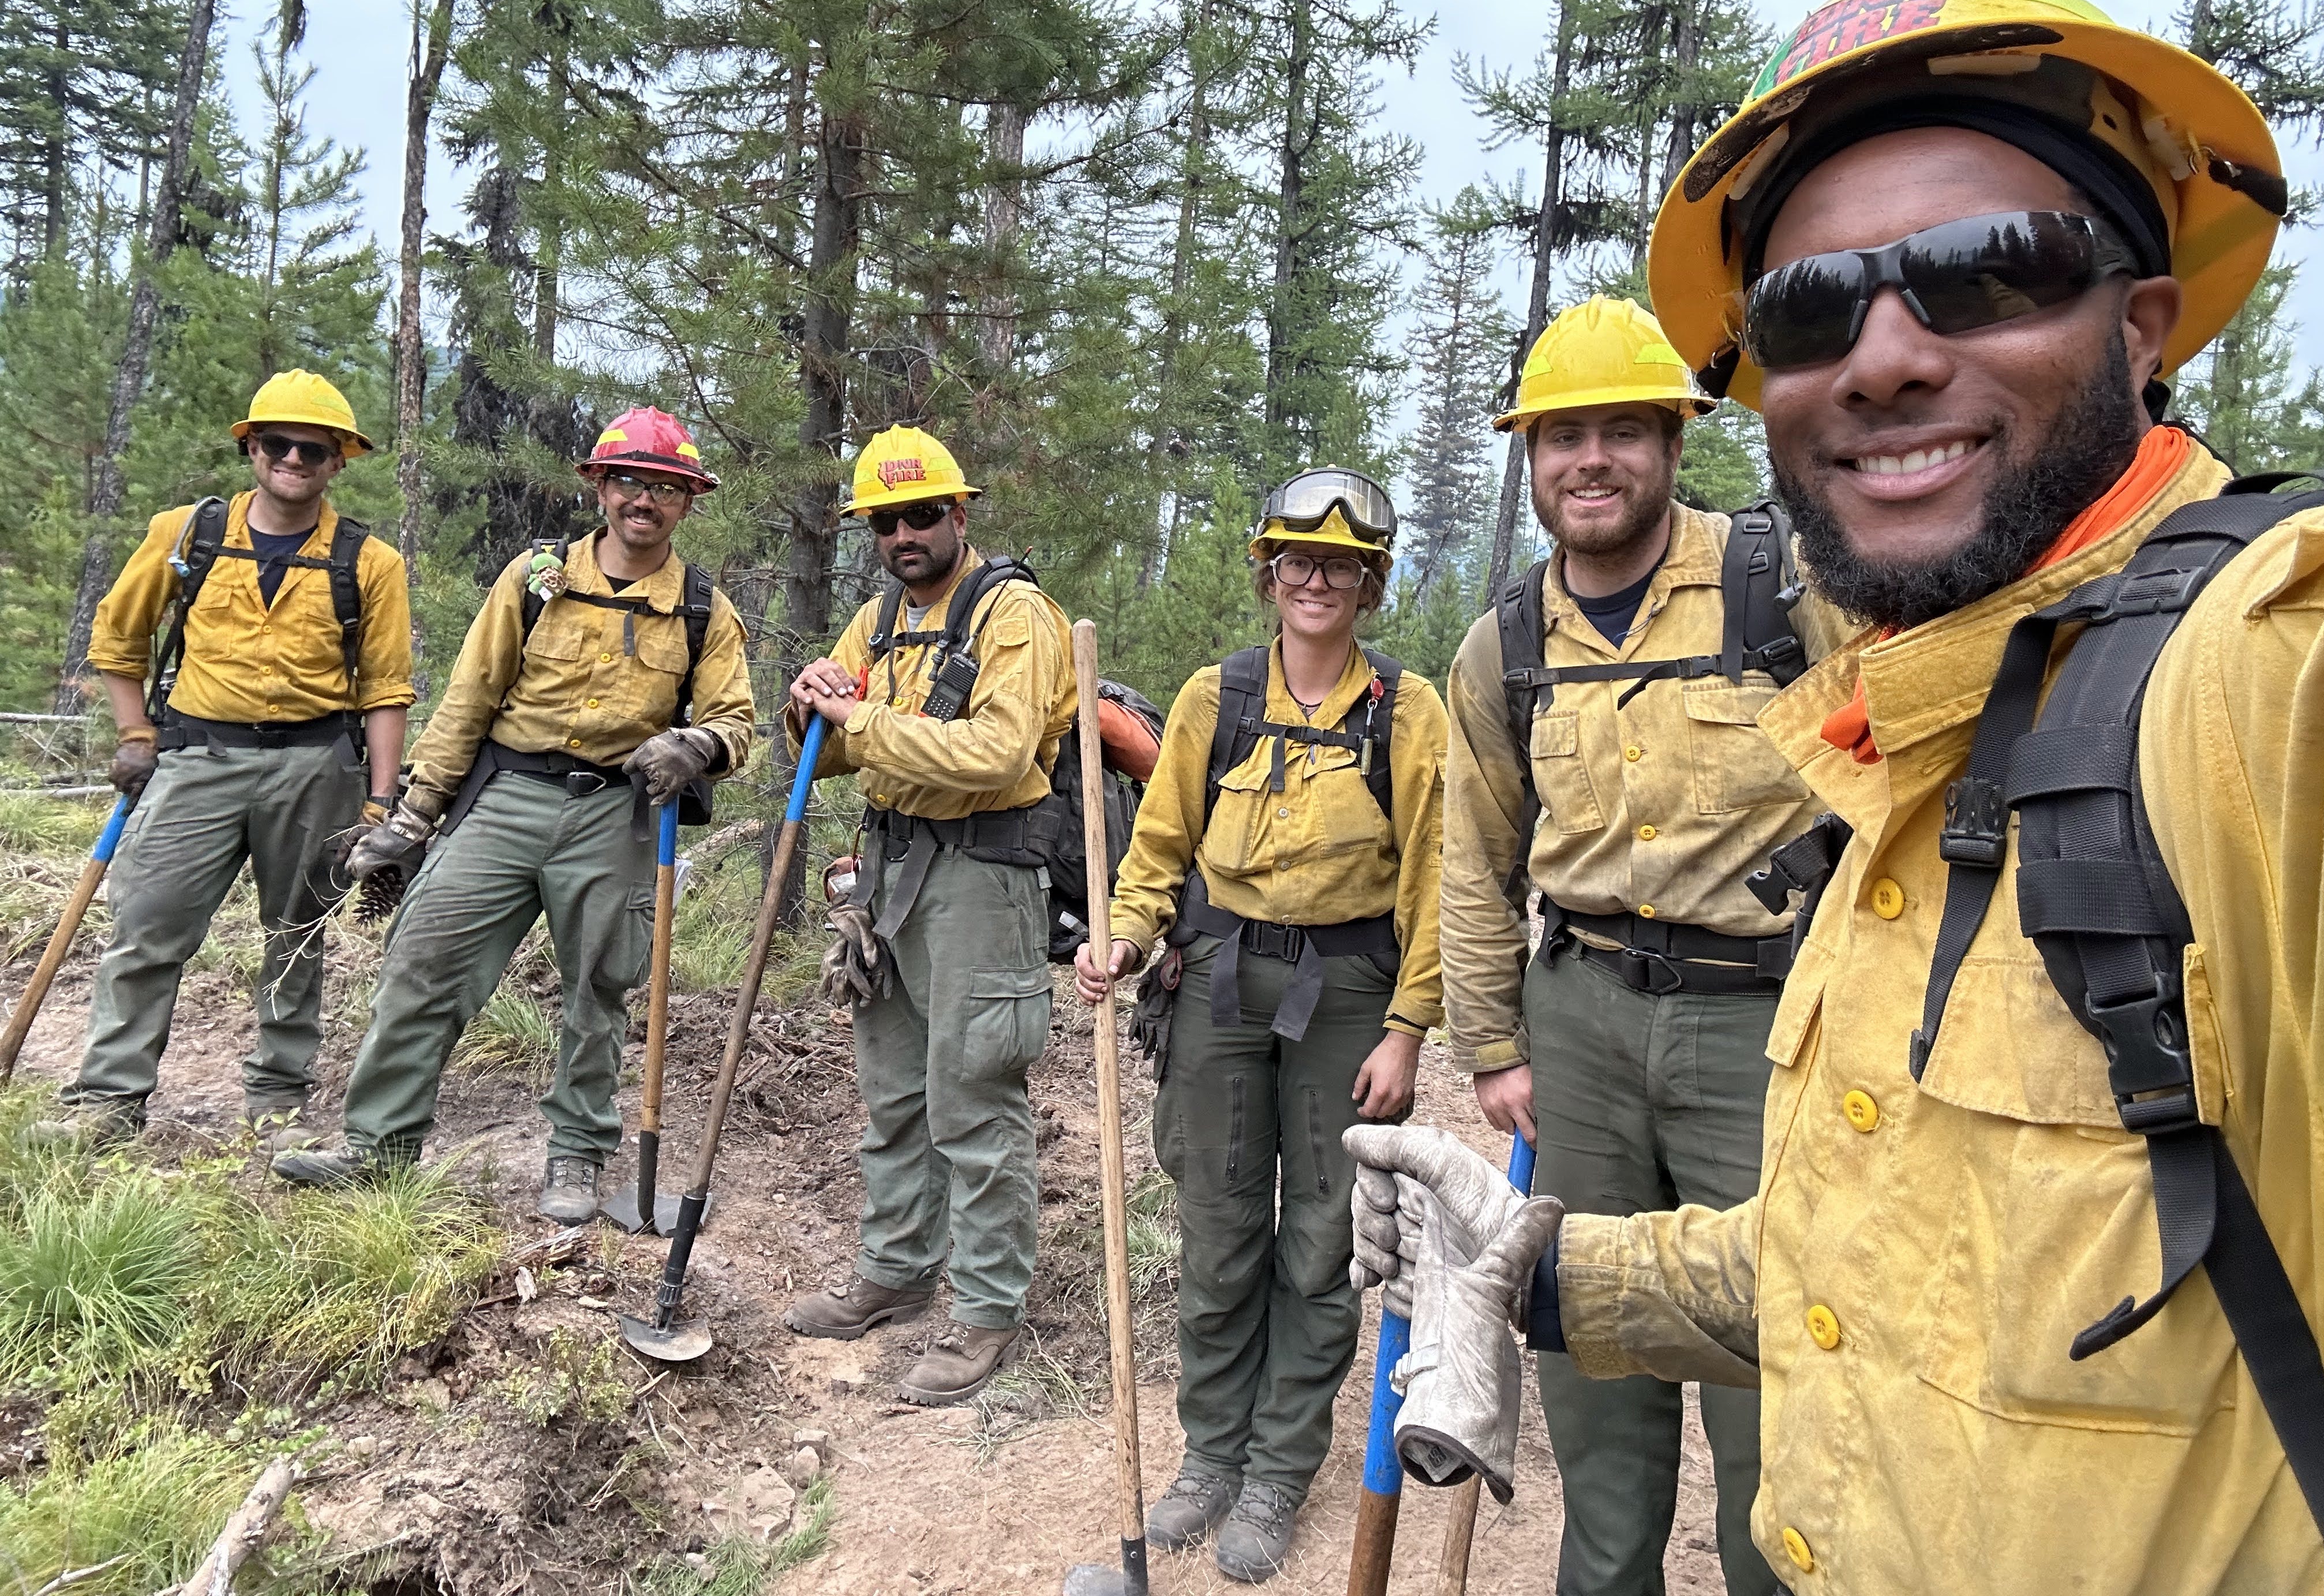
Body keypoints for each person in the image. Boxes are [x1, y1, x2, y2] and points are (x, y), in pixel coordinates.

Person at [1348, 0, 2322, 1593]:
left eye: (1986, 272)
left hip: (1729, 996)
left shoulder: (2256, 677)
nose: (1880, 358)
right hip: (1586, 1017)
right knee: (1618, 1469)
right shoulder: (1913, 737)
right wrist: (1539, 1264)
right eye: (1810, 307)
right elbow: (1877, 1263)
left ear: (2143, 323)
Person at [1440, 298, 1842, 1595]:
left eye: (1623, 430)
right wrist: (1494, 1047)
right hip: (1582, 1028)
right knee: (1590, 1369)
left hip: (1767, 1028)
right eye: (1562, 438)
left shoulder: (1782, 591)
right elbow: (1476, 859)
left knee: (1771, 1369)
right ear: (1531, 457)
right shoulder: (1503, 646)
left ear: (1674, 442)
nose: (1590, 460)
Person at [1076, 468, 1447, 1584]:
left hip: (1344, 997)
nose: (1317, 580)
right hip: (1220, 983)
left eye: (1341, 564)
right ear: (1269, 574)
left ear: (1371, 582)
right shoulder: (1216, 697)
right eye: (1297, 561)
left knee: (1321, 1240)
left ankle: (1282, 1466)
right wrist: (1126, 938)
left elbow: (1437, 881)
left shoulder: (1408, 713)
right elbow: (1159, 851)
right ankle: (1209, 1456)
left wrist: (1408, 1028)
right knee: (1219, 1226)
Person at [273, 407, 755, 1224]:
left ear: (687, 503)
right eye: (630, 481)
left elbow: (738, 721)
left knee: (600, 989)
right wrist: (415, 812)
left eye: (666, 488)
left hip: (619, 817)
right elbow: (471, 696)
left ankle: (576, 1157)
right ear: (600, 487)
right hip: (506, 799)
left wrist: (696, 746)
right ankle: (376, 1146)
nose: (645, 500)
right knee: (423, 960)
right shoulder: (535, 578)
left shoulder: (705, 608)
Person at [33, 370, 413, 1146]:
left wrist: (380, 804)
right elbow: (118, 639)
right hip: (196, 757)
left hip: (316, 768)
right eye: (279, 443)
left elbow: (385, 690)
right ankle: (107, 1100)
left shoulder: (371, 562)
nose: (296, 459)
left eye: (316, 448)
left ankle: (277, 1106)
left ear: (340, 460)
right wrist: (137, 735)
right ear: (252, 446)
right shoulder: (186, 533)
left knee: (297, 934)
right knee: (147, 925)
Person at [781, 424, 1076, 1410]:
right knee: (895, 1091)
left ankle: (988, 1309)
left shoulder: (1014, 615)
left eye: (920, 515)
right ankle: (896, 1269)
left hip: (984, 885)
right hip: (892, 874)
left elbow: (998, 756)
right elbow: (823, 752)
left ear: (961, 513)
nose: (902, 534)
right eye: (883, 521)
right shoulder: (876, 621)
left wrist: (858, 722)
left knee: (974, 1097)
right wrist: (809, 705)